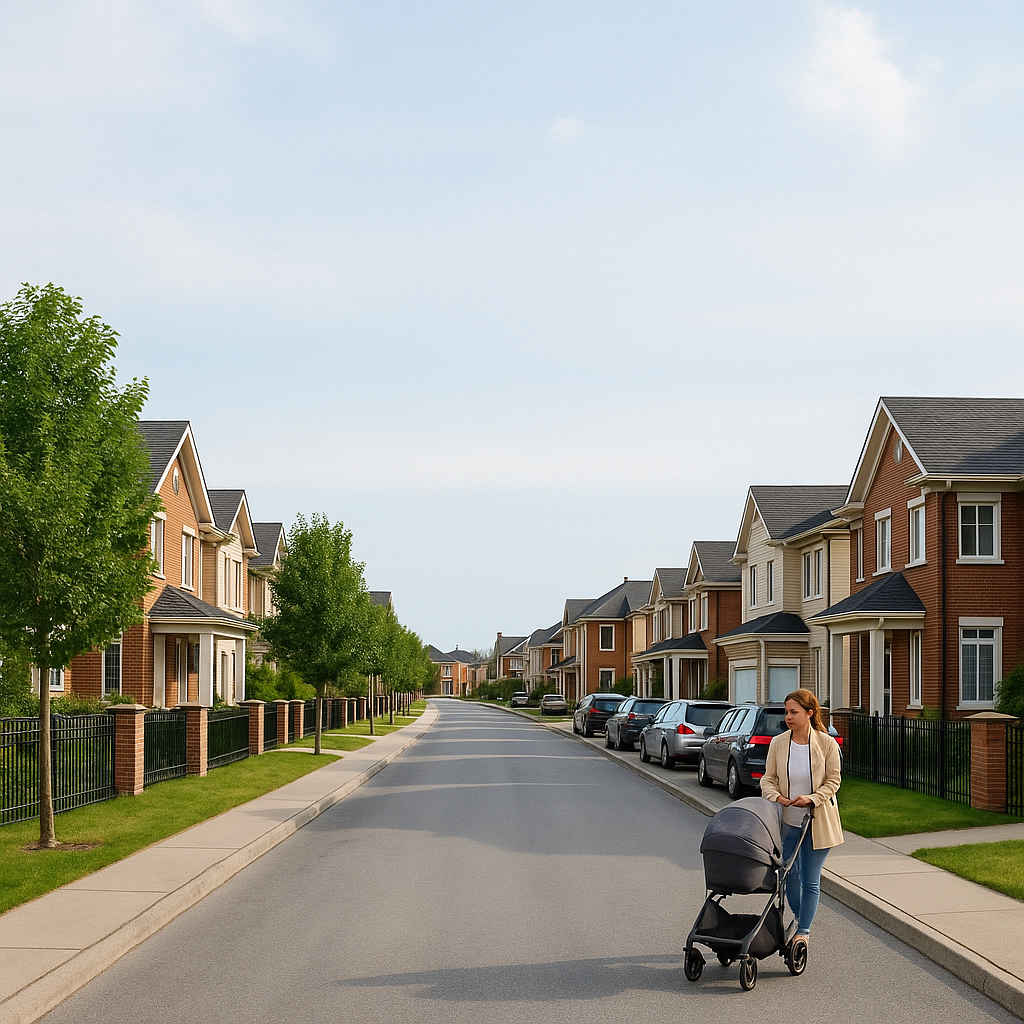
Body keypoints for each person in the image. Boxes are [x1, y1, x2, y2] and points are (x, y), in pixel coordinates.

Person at [759, 688, 843, 947]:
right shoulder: (779, 743)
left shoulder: (826, 743)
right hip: (788, 822)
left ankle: (803, 932)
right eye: (786, 712)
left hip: (818, 824)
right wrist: (776, 797)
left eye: (794, 712)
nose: (788, 717)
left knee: (810, 880)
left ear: (809, 713)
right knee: (788, 875)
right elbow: (768, 779)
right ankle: (799, 918)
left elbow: (833, 781)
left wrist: (812, 798)